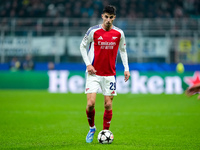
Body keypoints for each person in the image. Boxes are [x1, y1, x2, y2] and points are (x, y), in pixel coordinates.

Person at [80, 5, 130, 143]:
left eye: (111, 17)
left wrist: (126, 68)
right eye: (106, 17)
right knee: (90, 104)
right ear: (102, 16)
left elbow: (123, 51)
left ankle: (105, 132)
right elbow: (82, 46)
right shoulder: (93, 31)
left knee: (108, 105)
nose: (108, 20)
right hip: (94, 73)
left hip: (110, 74)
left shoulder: (119, 33)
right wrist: (88, 64)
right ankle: (92, 128)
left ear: (114, 18)